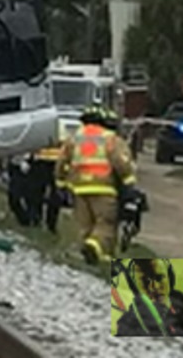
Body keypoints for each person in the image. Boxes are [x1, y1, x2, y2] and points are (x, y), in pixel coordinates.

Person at [56, 105, 137, 264]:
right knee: (105, 224)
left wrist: (60, 184)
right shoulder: (110, 138)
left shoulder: (74, 138)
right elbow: (122, 163)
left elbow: (61, 163)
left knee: (85, 226)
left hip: (78, 189)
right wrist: (129, 185)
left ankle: (92, 258)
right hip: (104, 188)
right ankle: (96, 251)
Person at [114, 259, 183, 337]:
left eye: (159, 278)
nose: (155, 287)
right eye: (145, 281)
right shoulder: (128, 324)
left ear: (170, 277)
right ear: (135, 287)